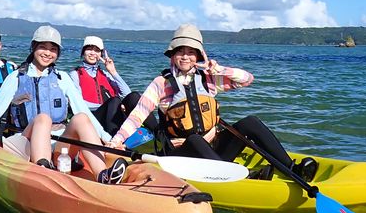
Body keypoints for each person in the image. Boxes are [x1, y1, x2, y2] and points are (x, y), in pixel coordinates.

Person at [106, 24, 317, 181]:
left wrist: (218, 69)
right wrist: (116, 141)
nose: (185, 57)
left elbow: (247, 79)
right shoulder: (162, 83)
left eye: (191, 52)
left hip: (214, 151)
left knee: (250, 122)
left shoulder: (208, 78)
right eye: (180, 51)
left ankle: (292, 169)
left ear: (198, 55)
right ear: (172, 55)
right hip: (182, 155)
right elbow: (138, 115)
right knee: (195, 140)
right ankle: (240, 177)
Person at [0, 25, 128, 184]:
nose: (48, 53)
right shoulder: (16, 78)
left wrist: (109, 139)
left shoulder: (62, 78)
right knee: (43, 118)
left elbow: (85, 112)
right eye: (43, 47)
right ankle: (43, 170)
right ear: (33, 47)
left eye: (53, 49)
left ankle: (102, 175)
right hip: (26, 141)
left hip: (58, 144)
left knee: (81, 118)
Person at [70, 35, 156, 136]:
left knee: (134, 96)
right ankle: (114, 139)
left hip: (112, 115)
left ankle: (159, 132)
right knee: (114, 101)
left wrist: (113, 71)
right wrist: (109, 105)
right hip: (92, 118)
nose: (93, 53)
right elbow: (78, 103)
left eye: (97, 50)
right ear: (83, 52)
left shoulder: (105, 74)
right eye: (89, 49)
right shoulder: (75, 74)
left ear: (101, 54)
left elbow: (127, 94)